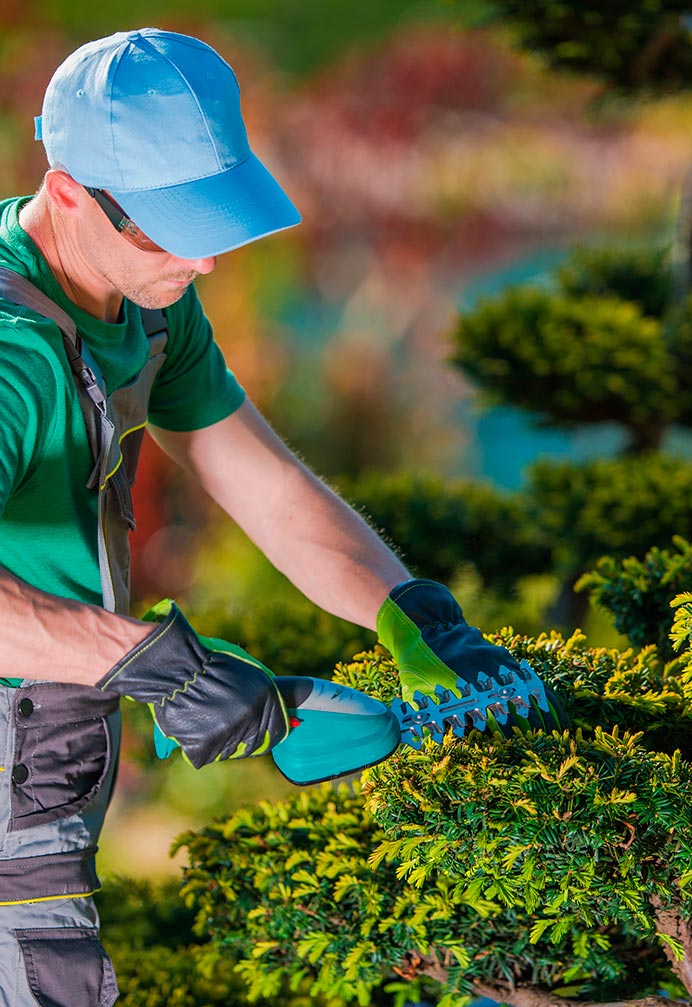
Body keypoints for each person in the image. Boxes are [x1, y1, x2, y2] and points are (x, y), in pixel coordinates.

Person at [0, 28, 563, 1006]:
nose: (207, 258)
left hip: (52, 727)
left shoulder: (150, 305)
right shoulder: (12, 355)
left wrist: (411, 615)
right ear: (69, 196)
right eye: (171, 225)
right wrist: (161, 665)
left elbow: (262, 484)